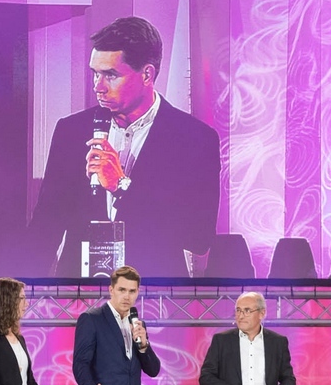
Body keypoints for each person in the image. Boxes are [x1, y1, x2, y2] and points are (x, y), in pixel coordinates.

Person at [27, 17, 220, 278]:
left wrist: (122, 186)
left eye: (110, 75)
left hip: (153, 291)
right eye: (95, 73)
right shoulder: (71, 131)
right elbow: (46, 225)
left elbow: (198, 237)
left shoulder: (194, 138)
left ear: (146, 74)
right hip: (79, 291)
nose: (98, 87)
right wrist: (19, 292)